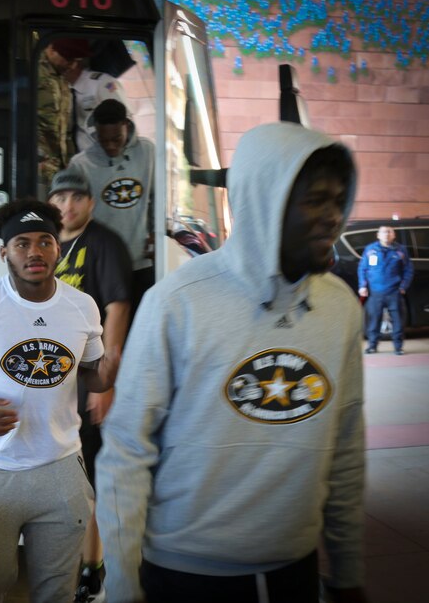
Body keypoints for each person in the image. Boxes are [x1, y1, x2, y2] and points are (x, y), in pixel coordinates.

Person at [95, 122, 368, 603]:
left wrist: (347, 574)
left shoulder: (340, 308)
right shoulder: (177, 304)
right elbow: (126, 452)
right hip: (184, 578)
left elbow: (346, 447)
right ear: (265, 201)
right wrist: (121, 583)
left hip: (295, 574)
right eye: (314, 200)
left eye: (338, 199)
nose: (333, 216)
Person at [0, 199, 118, 603]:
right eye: (22, 243)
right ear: (4, 252)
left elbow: (92, 373)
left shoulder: (81, 307)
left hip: (61, 468)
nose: (35, 251)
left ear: (58, 248)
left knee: (58, 593)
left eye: (45, 241)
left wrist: (111, 370)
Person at [48, 169, 133, 602]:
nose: (67, 205)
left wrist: (106, 382)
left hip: (87, 381)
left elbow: (117, 308)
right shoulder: (44, 243)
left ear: (91, 203)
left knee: (89, 479)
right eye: (60, 197)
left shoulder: (105, 244)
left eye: (76, 197)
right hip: (51, 378)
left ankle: (91, 567)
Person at [66, 99, 155, 308]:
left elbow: (158, 199)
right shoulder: (81, 164)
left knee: (140, 330)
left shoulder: (148, 152)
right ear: (96, 132)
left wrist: (157, 232)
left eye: (117, 138)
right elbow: (73, 217)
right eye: (104, 141)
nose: (111, 146)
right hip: (101, 266)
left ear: (127, 125)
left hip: (140, 262)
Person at [37, 38, 89, 188]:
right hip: (38, 166)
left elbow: (64, 128)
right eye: (68, 59)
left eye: (76, 61)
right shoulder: (33, 71)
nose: (72, 66)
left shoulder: (62, 79)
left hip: (58, 168)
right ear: (52, 49)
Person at [358, 225, 413, 355]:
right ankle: (372, 346)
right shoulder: (370, 250)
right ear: (378, 235)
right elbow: (363, 269)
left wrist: (403, 287)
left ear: (393, 235)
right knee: (373, 321)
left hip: (394, 292)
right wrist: (362, 286)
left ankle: (398, 347)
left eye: (389, 232)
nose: (386, 234)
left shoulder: (400, 251)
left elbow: (408, 270)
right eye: (383, 232)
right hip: (375, 292)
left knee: (398, 321)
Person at [64, 56, 131, 154]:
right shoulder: (64, 90)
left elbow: (123, 122)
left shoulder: (103, 83)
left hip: (107, 159)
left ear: (72, 63)